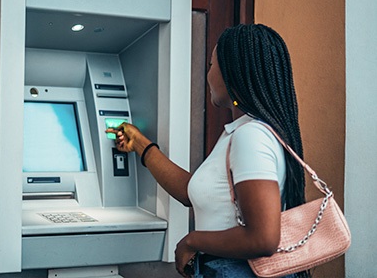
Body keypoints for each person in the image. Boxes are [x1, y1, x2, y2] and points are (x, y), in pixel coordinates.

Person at [106, 24, 308, 278]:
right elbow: (192, 192)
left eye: (212, 65)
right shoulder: (244, 131)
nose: (208, 73)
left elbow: (262, 239)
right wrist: (140, 144)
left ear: (231, 73)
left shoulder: (251, 136)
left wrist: (193, 241)